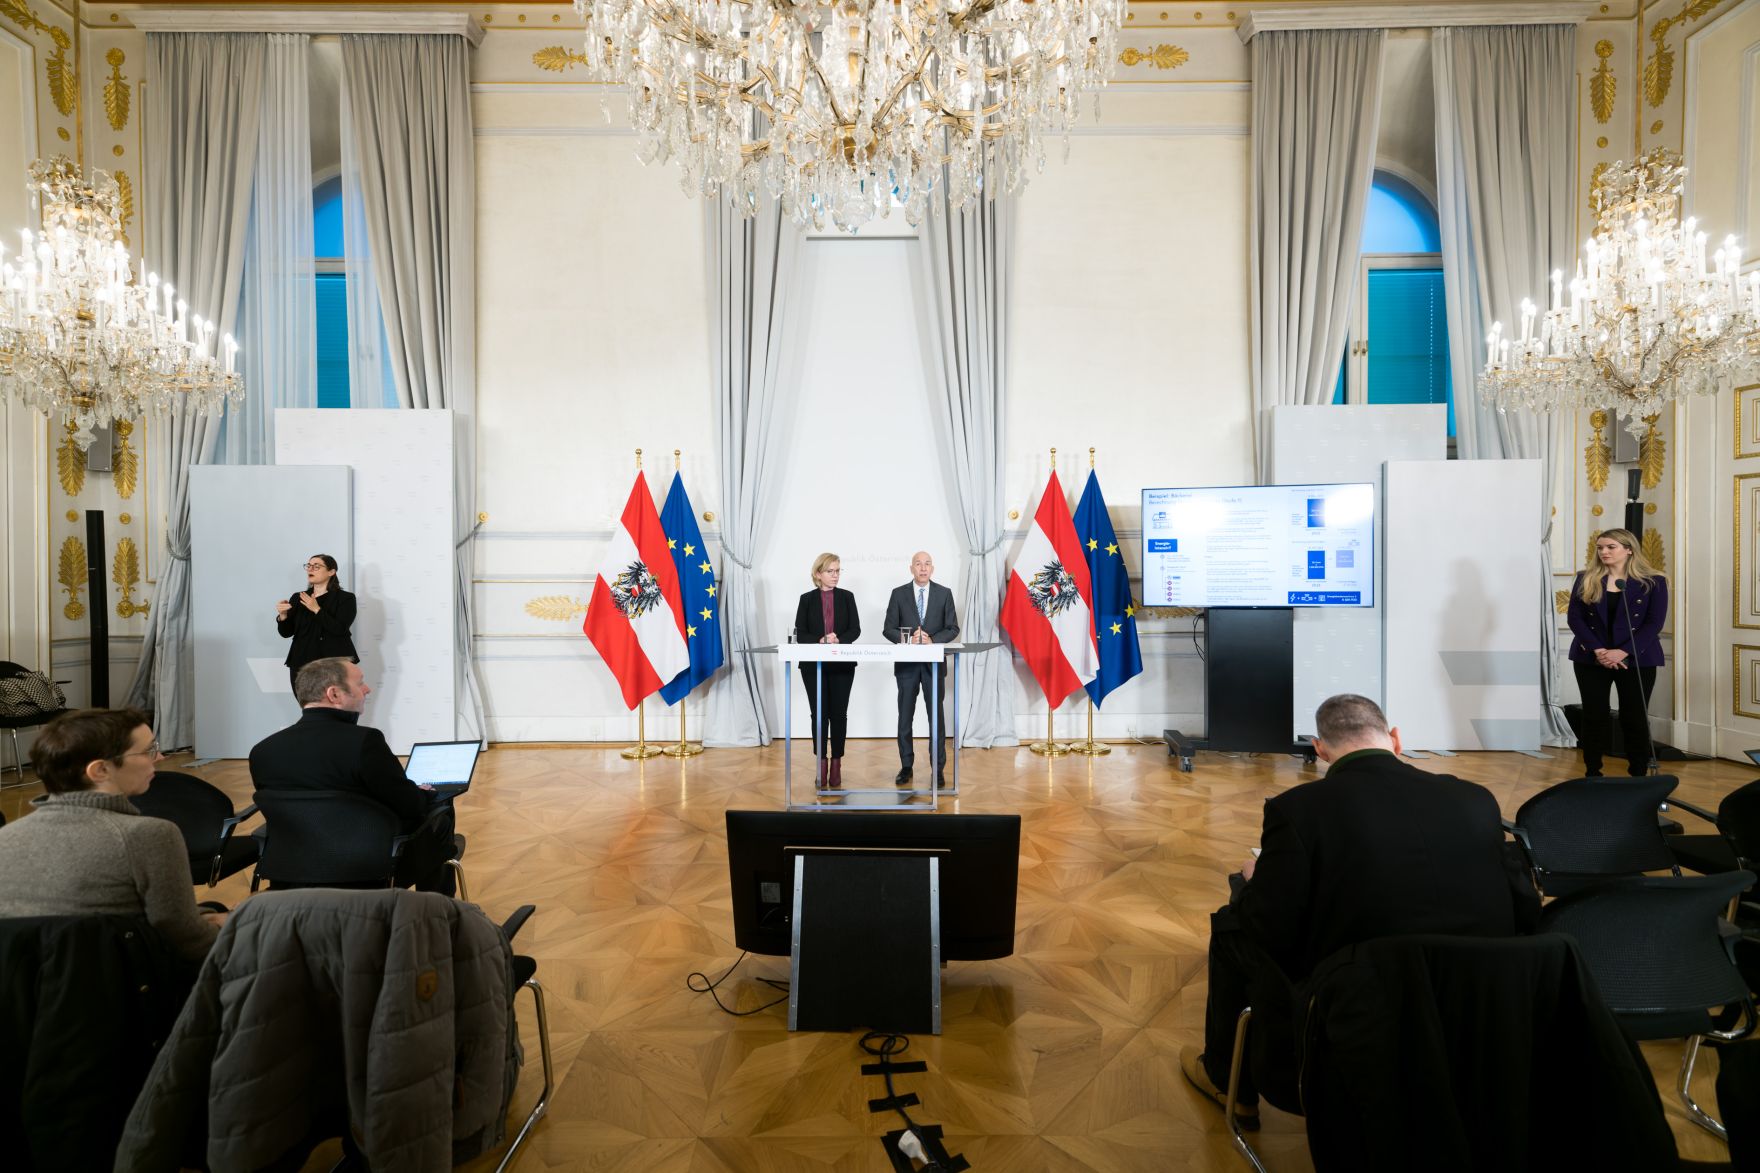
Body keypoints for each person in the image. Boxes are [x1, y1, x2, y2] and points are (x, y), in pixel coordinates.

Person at [1179, 694, 1536, 1129]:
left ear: (1320, 749)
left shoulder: (1297, 810)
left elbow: (1269, 925)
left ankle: (1229, 1084)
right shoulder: (1475, 798)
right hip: (1481, 999)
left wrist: (1255, 882)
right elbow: (1520, 902)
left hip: (1360, 994)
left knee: (1233, 924)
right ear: (1396, 739)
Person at [0, 708, 223, 962]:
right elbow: (184, 937)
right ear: (100, 771)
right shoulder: (150, 835)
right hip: (127, 986)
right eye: (148, 750)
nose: (159, 757)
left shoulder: (6, 837)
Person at [248, 658, 462, 896]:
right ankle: (437, 911)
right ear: (335, 694)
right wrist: (423, 794)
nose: (367, 689)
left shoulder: (261, 751)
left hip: (290, 869)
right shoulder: (364, 742)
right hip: (366, 868)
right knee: (440, 811)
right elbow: (410, 806)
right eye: (360, 683)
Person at [1566, 528, 1668, 777]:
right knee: (1594, 716)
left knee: (1634, 717)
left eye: (1611, 547)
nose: (1604, 552)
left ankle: (1638, 774)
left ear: (1629, 549)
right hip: (1591, 657)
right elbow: (1575, 618)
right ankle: (1592, 773)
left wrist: (1622, 652)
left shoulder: (1653, 581)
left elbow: (1654, 623)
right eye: (1600, 547)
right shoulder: (1586, 578)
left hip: (1637, 658)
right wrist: (1599, 650)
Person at [882, 551, 960, 789]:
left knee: (936, 718)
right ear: (911, 568)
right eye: (918, 564)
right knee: (905, 718)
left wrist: (932, 639)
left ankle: (938, 769)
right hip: (906, 667)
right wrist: (908, 638)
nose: (923, 568)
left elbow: (953, 628)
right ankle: (906, 766)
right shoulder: (898, 594)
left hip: (933, 666)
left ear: (932, 569)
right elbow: (888, 629)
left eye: (927, 564)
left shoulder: (944, 594)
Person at [793, 552, 860, 790]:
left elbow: (855, 629)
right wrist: (821, 639)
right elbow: (800, 633)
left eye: (838, 570)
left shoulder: (847, 597)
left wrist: (838, 639)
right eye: (831, 571)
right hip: (813, 667)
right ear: (818, 574)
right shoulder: (806, 599)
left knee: (839, 715)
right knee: (818, 715)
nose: (835, 575)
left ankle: (837, 763)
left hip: (842, 665)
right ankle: (820, 762)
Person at [277, 553, 358, 693]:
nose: (310, 569)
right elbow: (286, 633)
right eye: (308, 566)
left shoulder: (346, 598)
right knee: (308, 707)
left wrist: (316, 609)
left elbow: (339, 629)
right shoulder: (298, 597)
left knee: (335, 706)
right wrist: (283, 616)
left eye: (316, 566)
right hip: (301, 661)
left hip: (333, 662)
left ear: (331, 572)